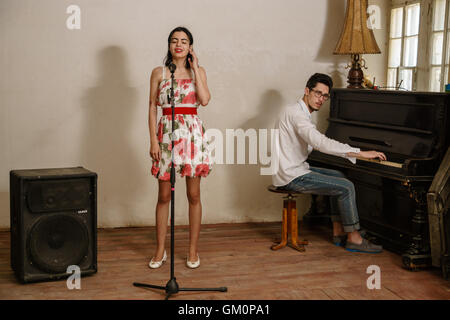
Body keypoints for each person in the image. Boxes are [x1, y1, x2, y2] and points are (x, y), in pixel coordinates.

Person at [272, 73, 385, 253]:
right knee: (346, 186)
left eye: (325, 96)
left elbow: (310, 145)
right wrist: (360, 152)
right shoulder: (297, 115)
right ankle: (354, 238)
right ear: (307, 91)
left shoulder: (298, 111)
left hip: (294, 169)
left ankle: (338, 230)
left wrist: (334, 150)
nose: (321, 99)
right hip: (291, 176)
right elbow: (320, 142)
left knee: (339, 176)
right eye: (318, 93)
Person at [148, 26, 212, 269]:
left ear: (190, 47)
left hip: (192, 136)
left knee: (193, 195)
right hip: (165, 136)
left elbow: (204, 100)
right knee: (164, 195)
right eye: (174, 40)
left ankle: (193, 250)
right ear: (169, 45)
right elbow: (151, 107)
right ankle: (160, 250)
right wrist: (153, 140)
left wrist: (195, 68)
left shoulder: (199, 72)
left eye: (184, 41)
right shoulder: (159, 73)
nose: (179, 44)